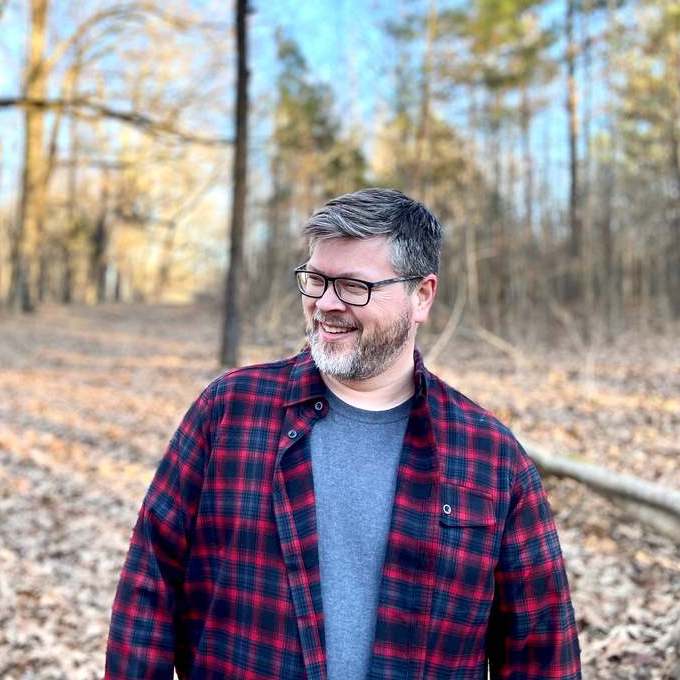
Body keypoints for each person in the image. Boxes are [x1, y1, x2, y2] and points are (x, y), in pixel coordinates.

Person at [105, 188, 581, 679]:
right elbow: (149, 588)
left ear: (422, 296)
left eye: (354, 286)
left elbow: (541, 652)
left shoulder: (491, 457)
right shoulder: (230, 413)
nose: (326, 304)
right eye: (316, 280)